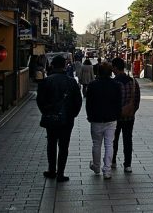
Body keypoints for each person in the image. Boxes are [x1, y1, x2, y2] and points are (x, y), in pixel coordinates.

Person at [35, 55, 82, 183]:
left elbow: (40, 100)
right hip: (67, 119)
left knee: (51, 144)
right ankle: (61, 173)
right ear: (64, 65)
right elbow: (78, 100)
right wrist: (73, 114)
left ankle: (51, 170)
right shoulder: (71, 81)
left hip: (51, 118)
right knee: (63, 145)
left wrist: (45, 112)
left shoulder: (46, 81)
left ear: (53, 65)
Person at [85, 62, 120, 179]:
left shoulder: (92, 85)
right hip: (111, 118)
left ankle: (96, 166)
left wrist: (89, 116)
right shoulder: (116, 85)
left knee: (96, 144)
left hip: (96, 119)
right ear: (110, 72)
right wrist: (116, 114)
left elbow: (88, 103)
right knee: (109, 144)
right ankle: (107, 170)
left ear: (98, 72)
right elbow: (118, 103)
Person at [110, 58, 141, 172]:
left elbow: (110, 101)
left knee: (114, 139)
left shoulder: (113, 83)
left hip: (115, 117)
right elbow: (137, 100)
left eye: (112, 67)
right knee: (128, 139)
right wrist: (131, 111)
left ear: (116, 68)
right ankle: (127, 164)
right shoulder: (133, 82)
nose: (112, 70)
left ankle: (113, 161)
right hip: (129, 117)